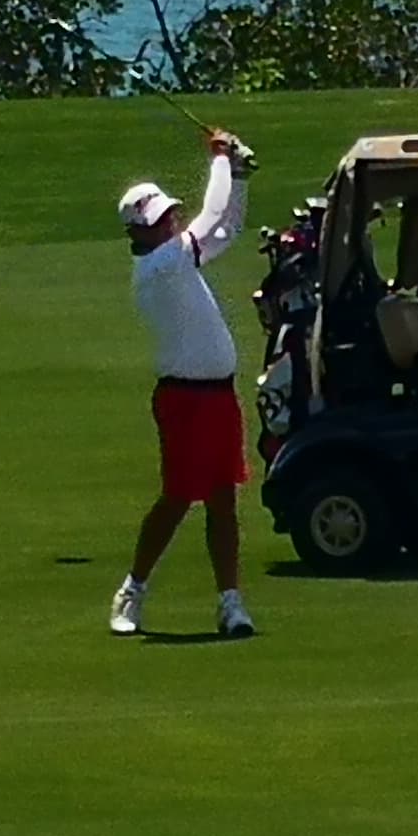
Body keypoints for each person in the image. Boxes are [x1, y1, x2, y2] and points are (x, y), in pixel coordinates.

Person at [112, 129, 255, 639]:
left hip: (218, 396)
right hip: (183, 399)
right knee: (177, 498)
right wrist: (219, 160)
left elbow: (227, 228)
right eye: (160, 221)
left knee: (223, 499)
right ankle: (133, 590)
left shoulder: (175, 254)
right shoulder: (158, 266)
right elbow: (210, 218)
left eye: (170, 214)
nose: (171, 222)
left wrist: (237, 175)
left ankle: (230, 602)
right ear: (140, 233)